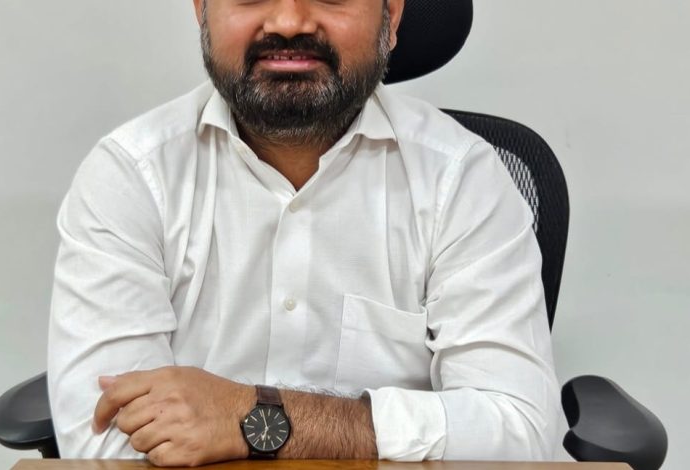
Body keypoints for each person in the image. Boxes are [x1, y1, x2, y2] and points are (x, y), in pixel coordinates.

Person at [47, 0, 565, 466]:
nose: (290, 21)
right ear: (202, 9)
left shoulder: (462, 177)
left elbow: (520, 434)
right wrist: (365, 431)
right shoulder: (132, 176)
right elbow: (102, 443)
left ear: (392, 16)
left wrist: (253, 417)